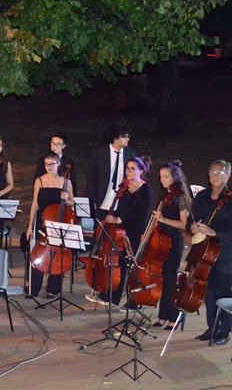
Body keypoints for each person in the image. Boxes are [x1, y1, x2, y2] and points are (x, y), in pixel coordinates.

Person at [85, 157, 154, 307]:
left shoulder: (146, 190)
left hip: (137, 232)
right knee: (121, 264)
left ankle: (134, 301)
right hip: (122, 232)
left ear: (141, 171)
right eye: (127, 169)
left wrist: (118, 220)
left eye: (132, 169)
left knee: (134, 268)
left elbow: (143, 216)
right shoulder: (125, 188)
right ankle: (112, 296)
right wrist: (111, 216)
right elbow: (122, 210)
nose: (128, 172)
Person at [189, 160, 232, 346]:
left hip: (223, 252)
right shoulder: (202, 197)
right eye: (212, 172)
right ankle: (212, 327)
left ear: (227, 176)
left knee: (223, 291)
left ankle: (225, 331)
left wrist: (215, 233)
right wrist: (193, 226)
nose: (214, 176)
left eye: (219, 173)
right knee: (209, 291)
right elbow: (192, 220)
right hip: (203, 251)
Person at [26, 153, 74, 299]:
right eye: (46, 164)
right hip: (43, 224)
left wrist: (67, 200)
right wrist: (30, 226)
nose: (49, 167)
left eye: (52, 164)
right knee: (38, 254)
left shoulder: (66, 182)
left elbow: (72, 203)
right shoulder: (40, 180)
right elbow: (35, 204)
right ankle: (33, 288)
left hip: (59, 224)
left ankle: (53, 289)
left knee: (58, 255)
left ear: (58, 164)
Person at [150, 161, 192, 329]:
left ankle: (174, 317)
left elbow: (184, 224)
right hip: (162, 240)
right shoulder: (164, 195)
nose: (163, 180)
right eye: (161, 177)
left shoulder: (181, 196)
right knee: (163, 278)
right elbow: (158, 219)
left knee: (170, 279)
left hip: (174, 241)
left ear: (174, 177)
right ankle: (162, 316)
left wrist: (163, 219)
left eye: (166, 177)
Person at [85, 123, 135, 219]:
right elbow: (91, 178)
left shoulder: (131, 154)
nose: (128, 139)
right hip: (101, 201)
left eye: (128, 136)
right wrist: (91, 200)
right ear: (116, 137)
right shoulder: (99, 153)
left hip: (121, 203)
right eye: (125, 136)